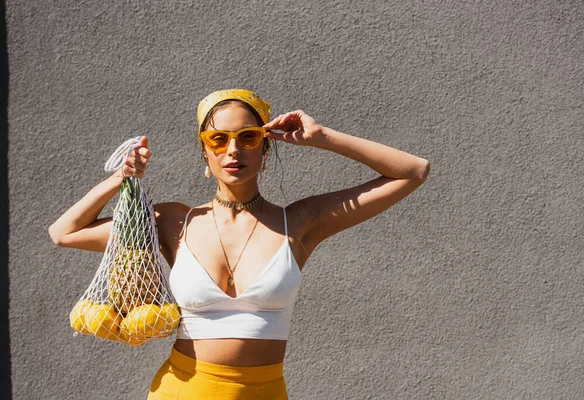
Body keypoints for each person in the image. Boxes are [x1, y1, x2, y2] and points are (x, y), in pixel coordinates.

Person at [48, 89, 430, 399]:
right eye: (219, 138)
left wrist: (322, 138)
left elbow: (413, 172)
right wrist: (122, 177)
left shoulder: (298, 222)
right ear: (205, 150)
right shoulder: (173, 222)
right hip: (182, 390)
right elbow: (64, 232)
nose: (233, 150)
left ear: (265, 148)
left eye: (248, 137)